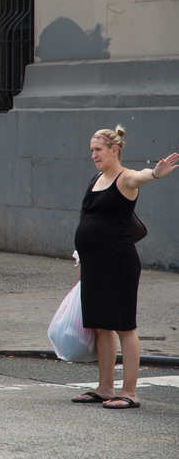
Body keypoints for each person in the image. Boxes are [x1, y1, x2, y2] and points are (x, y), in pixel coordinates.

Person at [71, 125, 178, 409]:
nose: (93, 155)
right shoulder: (97, 178)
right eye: (92, 150)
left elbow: (141, 176)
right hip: (93, 262)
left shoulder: (125, 177)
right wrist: (81, 256)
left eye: (98, 150)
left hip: (118, 263)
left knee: (123, 326)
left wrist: (155, 173)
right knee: (100, 326)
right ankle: (105, 388)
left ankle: (129, 392)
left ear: (114, 149)